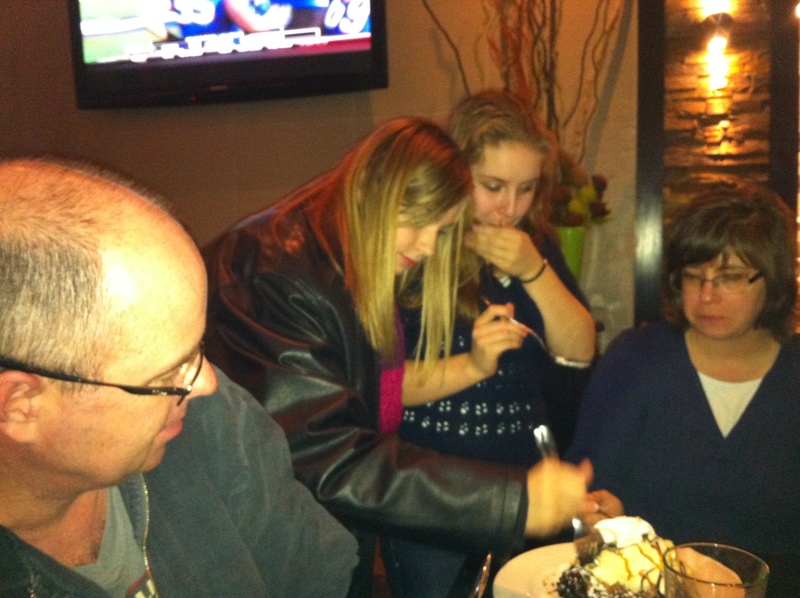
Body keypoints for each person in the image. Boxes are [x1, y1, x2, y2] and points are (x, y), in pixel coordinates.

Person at [203, 117, 595, 597]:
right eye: (419, 221)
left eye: (441, 229)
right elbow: (324, 456)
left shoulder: (349, 252)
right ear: (378, 189)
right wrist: (512, 500)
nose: (427, 246)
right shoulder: (279, 271)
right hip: (260, 541)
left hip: (320, 525)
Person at [0, 159, 358, 598]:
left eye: (196, 349)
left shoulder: (214, 420)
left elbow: (316, 573)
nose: (207, 383)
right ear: (20, 406)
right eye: (165, 375)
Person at [379, 90, 599, 597]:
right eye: (493, 186)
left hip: (525, 486)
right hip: (430, 490)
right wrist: (472, 362)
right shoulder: (414, 247)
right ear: (455, 173)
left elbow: (581, 349)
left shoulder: (535, 245)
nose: (509, 208)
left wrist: (534, 269)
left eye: (526, 190)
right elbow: (384, 386)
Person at [566, 186, 800, 596]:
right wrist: (600, 517)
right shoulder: (635, 360)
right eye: (693, 276)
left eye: (729, 278)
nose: (706, 295)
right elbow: (582, 490)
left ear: (775, 280)